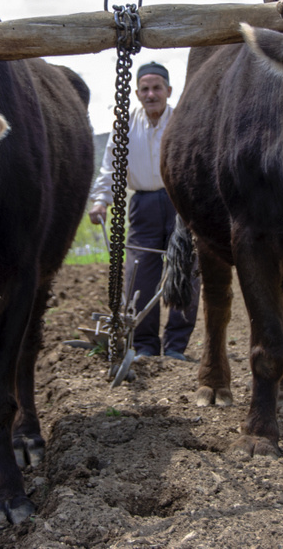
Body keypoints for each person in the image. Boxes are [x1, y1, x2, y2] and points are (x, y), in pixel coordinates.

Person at [89, 61, 199, 361]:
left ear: (169, 90)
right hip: (143, 207)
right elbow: (111, 167)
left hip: (181, 205)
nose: (151, 94)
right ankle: (146, 346)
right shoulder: (124, 125)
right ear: (137, 93)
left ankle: (176, 347)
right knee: (139, 276)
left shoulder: (184, 121)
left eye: (157, 88)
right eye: (145, 89)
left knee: (184, 273)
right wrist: (101, 201)